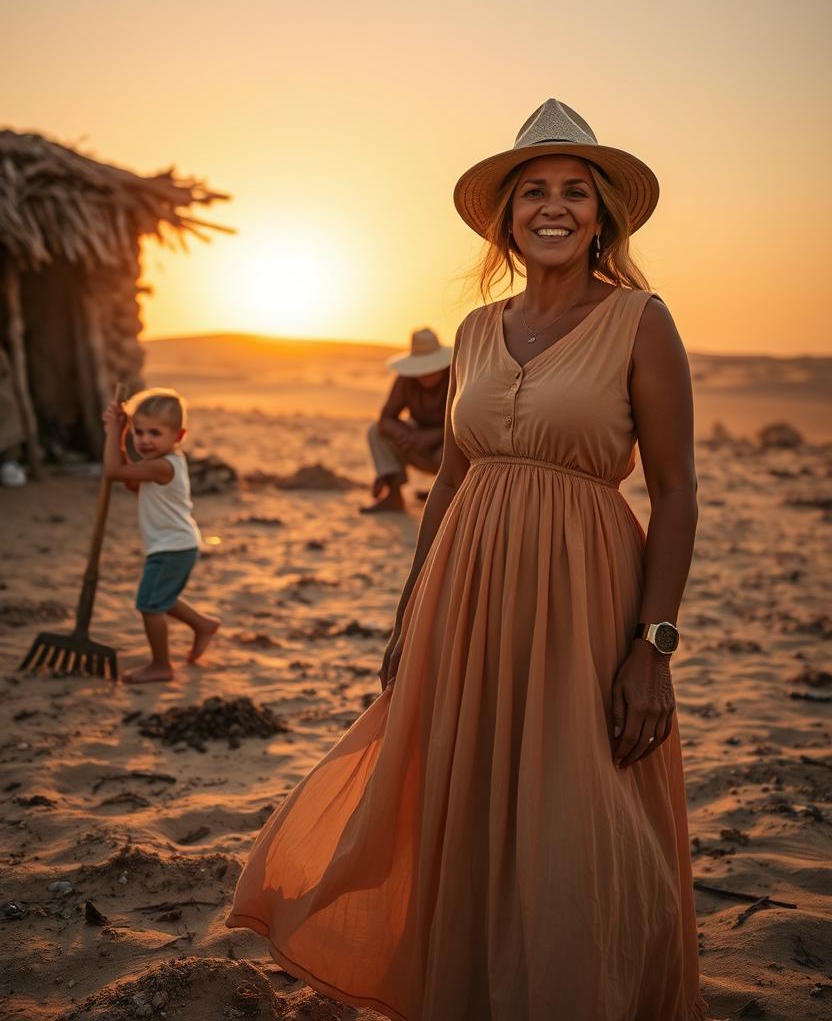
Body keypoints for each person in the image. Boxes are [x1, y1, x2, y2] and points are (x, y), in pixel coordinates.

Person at [227, 99, 708, 1021]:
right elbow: (450, 481)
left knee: (579, 809)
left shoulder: (642, 322)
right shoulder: (478, 333)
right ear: (508, 216)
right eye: (534, 192)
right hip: (465, 592)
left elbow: (677, 491)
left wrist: (654, 648)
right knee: (466, 795)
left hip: (586, 596)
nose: (553, 207)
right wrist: (412, 613)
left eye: (575, 191)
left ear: (602, 212)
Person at [102, 387, 220, 685]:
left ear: (178, 436)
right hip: (178, 545)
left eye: (154, 433)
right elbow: (129, 478)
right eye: (138, 432)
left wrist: (115, 431)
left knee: (149, 604)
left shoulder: (161, 466)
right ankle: (203, 625)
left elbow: (114, 471)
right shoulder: (166, 462)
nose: (144, 440)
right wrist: (121, 435)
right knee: (162, 598)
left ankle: (161, 665)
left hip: (173, 547)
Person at [360, 327, 452, 514]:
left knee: (464, 441)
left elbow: (470, 421)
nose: (427, 374)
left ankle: (451, 495)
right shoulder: (406, 380)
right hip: (415, 445)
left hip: (449, 446)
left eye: (432, 368)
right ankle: (393, 495)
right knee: (375, 431)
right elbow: (386, 418)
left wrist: (431, 437)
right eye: (422, 368)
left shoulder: (457, 374)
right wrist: (404, 435)